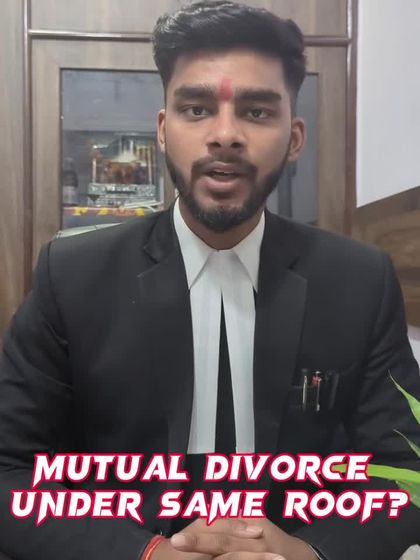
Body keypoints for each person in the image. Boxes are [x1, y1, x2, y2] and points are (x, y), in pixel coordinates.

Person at [0, 1, 419, 559]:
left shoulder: (358, 282)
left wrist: (310, 553)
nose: (225, 135)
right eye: (196, 109)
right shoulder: (72, 276)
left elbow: (404, 468)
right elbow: (9, 468)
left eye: (256, 111)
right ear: (162, 130)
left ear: (295, 138)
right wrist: (146, 554)